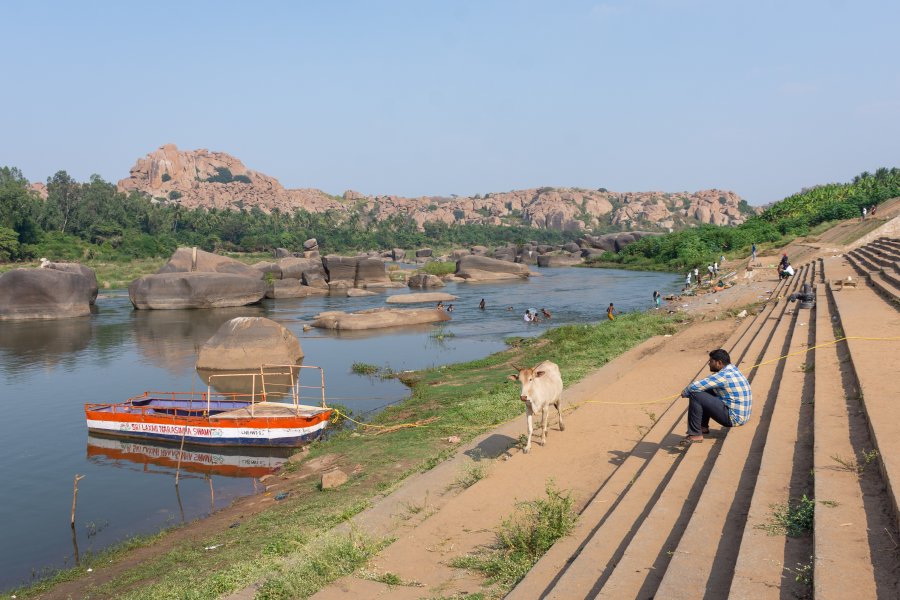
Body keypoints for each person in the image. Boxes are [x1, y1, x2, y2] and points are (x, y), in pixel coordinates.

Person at [679, 349, 752, 444]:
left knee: (695, 394)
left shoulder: (723, 375)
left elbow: (694, 387)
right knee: (706, 389)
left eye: (711, 361)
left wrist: (685, 393)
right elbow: (706, 383)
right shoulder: (733, 369)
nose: (709, 364)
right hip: (742, 416)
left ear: (719, 362)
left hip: (734, 418)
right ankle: (702, 427)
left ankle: (695, 434)